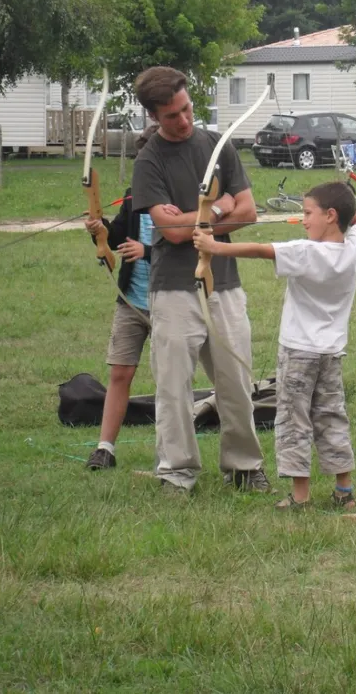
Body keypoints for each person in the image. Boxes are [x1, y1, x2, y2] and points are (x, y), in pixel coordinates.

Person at [130, 66, 270, 494]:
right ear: (155, 116)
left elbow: (250, 211)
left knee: (236, 381)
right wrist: (219, 208)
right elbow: (169, 233)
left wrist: (210, 213)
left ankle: (244, 467)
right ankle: (177, 471)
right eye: (173, 115)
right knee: (174, 386)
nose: (185, 120)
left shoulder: (216, 145)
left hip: (223, 283)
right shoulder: (148, 159)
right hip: (172, 287)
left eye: (187, 108)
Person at [193, 182, 356, 510]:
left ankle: (300, 496)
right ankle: (344, 492)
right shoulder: (353, 248)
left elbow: (261, 249)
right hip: (331, 353)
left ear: (330, 215)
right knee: (331, 416)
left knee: (293, 419)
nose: (303, 220)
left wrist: (212, 246)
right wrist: (347, 213)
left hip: (299, 352)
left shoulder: (306, 251)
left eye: (308, 213)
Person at [84, 125, 182, 471]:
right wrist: (101, 230)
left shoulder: (182, 195)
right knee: (120, 373)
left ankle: (170, 456)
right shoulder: (133, 194)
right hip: (131, 300)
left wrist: (148, 250)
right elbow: (117, 239)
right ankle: (104, 449)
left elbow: (187, 244)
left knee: (171, 379)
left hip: (172, 300)